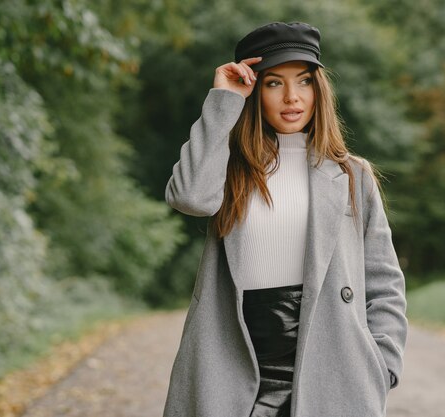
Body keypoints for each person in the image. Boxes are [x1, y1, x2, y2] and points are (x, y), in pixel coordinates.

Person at [162, 21, 407, 417]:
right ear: (255, 89)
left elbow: (384, 281)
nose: (292, 97)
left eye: (304, 81)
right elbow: (188, 196)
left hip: (331, 369)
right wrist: (224, 100)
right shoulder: (229, 168)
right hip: (235, 365)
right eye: (274, 82)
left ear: (318, 89)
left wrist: (382, 366)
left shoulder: (352, 175)